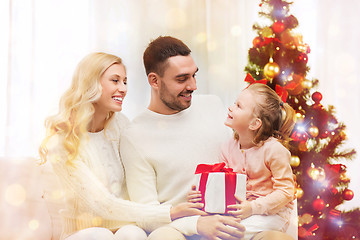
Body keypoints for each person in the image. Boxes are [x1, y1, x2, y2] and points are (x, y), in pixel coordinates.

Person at [120, 36, 294, 240]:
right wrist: (198, 224)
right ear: (154, 81)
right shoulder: (135, 136)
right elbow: (146, 215)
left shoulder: (213, 105)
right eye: (182, 79)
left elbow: (250, 153)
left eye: (194, 76)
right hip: (181, 228)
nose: (193, 86)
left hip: (235, 218)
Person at [38, 52, 205, 240]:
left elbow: (143, 173)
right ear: (91, 83)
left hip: (123, 228)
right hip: (82, 234)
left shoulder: (121, 126)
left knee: (134, 233)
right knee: (102, 235)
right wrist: (171, 212)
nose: (123, 89)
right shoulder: (63, 141)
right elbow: (102, 204)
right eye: (115, 81)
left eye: (125, 82)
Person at [213, 83, 296, 240]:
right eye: (234, 103)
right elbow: (222, 184)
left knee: (228, 233)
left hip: (273, 214)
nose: (231, 108)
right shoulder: (227, 147)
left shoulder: (274, 150)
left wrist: (252, 208)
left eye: (238, 106)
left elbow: (286, 192)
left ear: (254, 124)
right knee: (218, 230)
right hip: (243, 213)